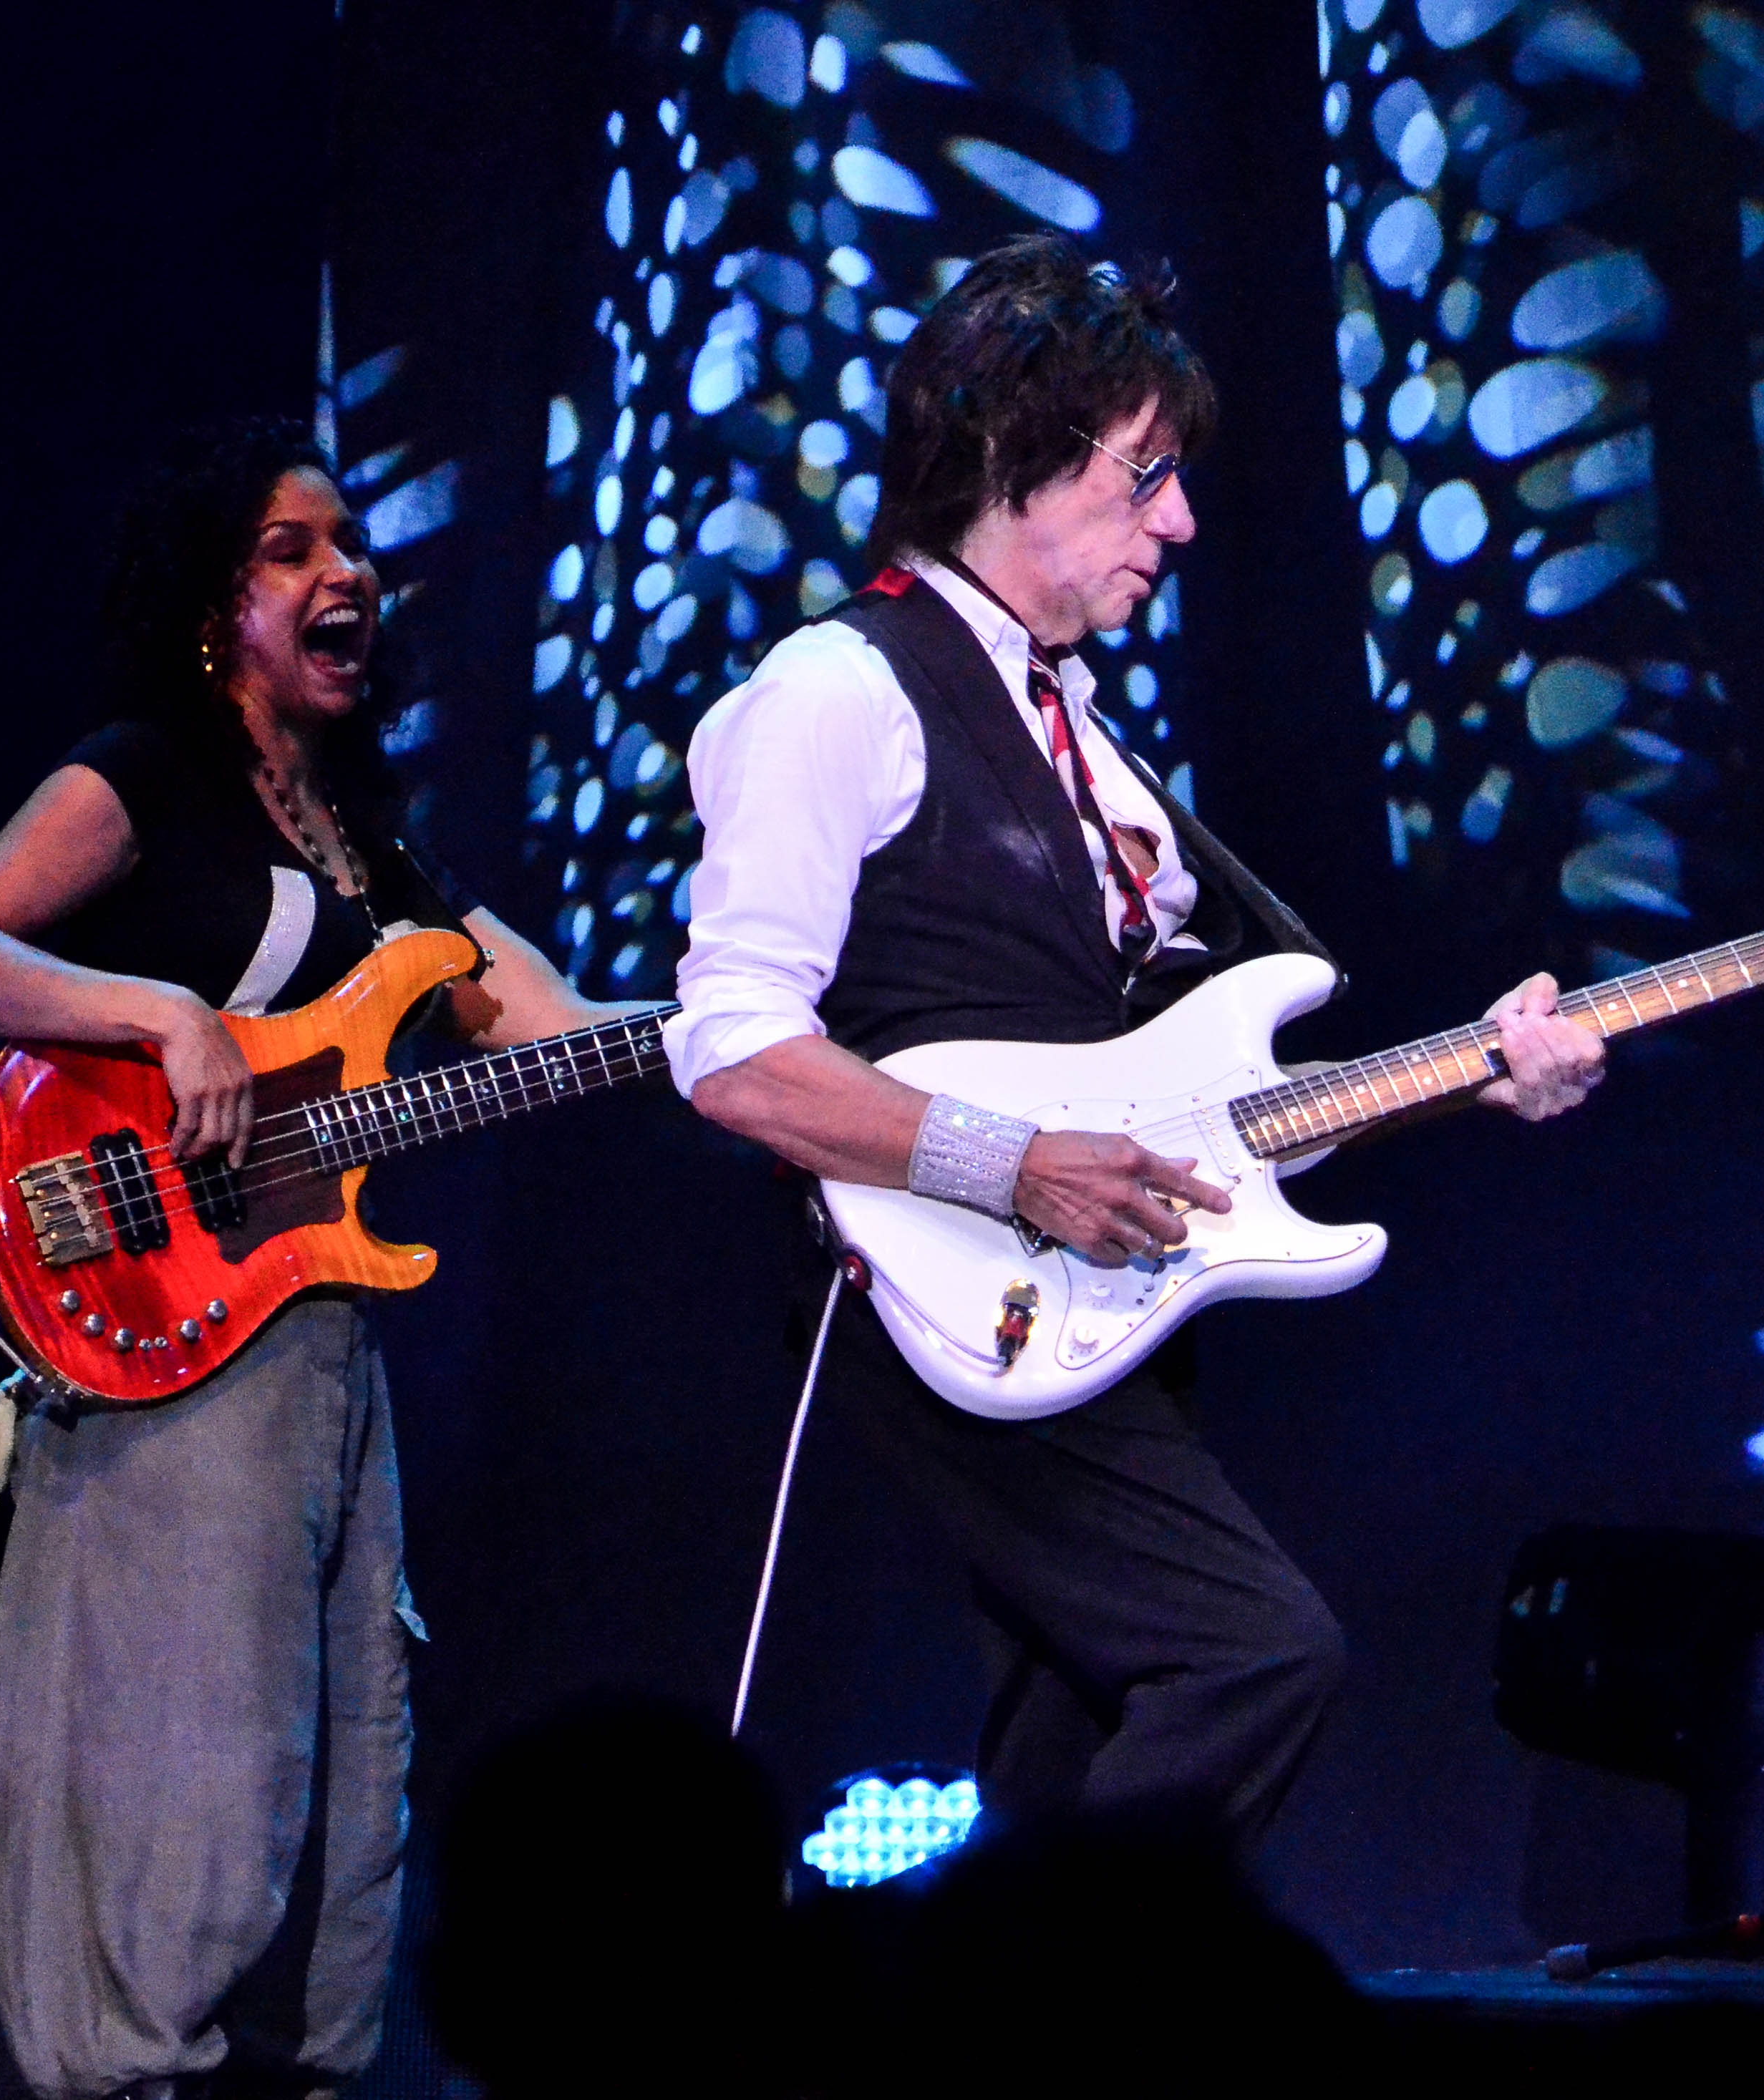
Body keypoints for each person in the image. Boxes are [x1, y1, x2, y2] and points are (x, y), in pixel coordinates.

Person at [665, 236, 1607, 1849]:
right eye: (1145, 476)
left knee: (1070, 1724)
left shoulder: (1090, 742)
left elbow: (1208, 1107)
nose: (1179, 520)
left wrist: (1474, 1072)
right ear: (1008, 460)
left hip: (1093, 1293)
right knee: (1253, 1656)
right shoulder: (837, 692)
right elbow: (736, 1056)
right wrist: (1013, 1162)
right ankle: (1101, 2003)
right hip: (924, 1275)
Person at [0, 417, 652, 2100]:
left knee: (346, 1751)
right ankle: (128, 2067)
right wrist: (164, 1015)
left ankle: (286, 2072)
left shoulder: (373, 847)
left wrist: (758, 1031)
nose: (347, 574)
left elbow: (553, 1020)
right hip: (165, 1327)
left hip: (314, 1349)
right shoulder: (142, 777)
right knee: (210, 1760)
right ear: (212, 609)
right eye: (294, 551)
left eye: (351, 548)